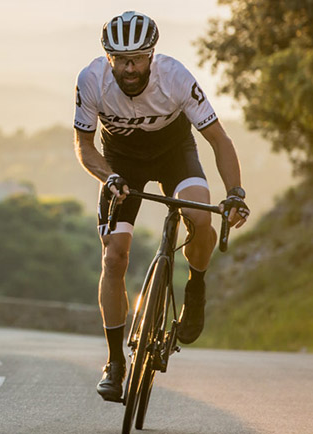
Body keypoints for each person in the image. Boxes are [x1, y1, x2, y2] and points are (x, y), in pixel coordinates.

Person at [72, 11, 250, 403]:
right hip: (121, 163)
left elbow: (219, 140)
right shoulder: (91, 81)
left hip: (174, 155)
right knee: (114, 258)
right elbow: (84, 146)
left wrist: (235, 192)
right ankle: (115, 362)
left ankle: (196, 287)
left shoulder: (176, 78)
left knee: (200, 217)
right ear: (108, 58)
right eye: (120, 60)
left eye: (137, 58)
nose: (130, 68)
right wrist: (108, 177)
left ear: (152, 55)